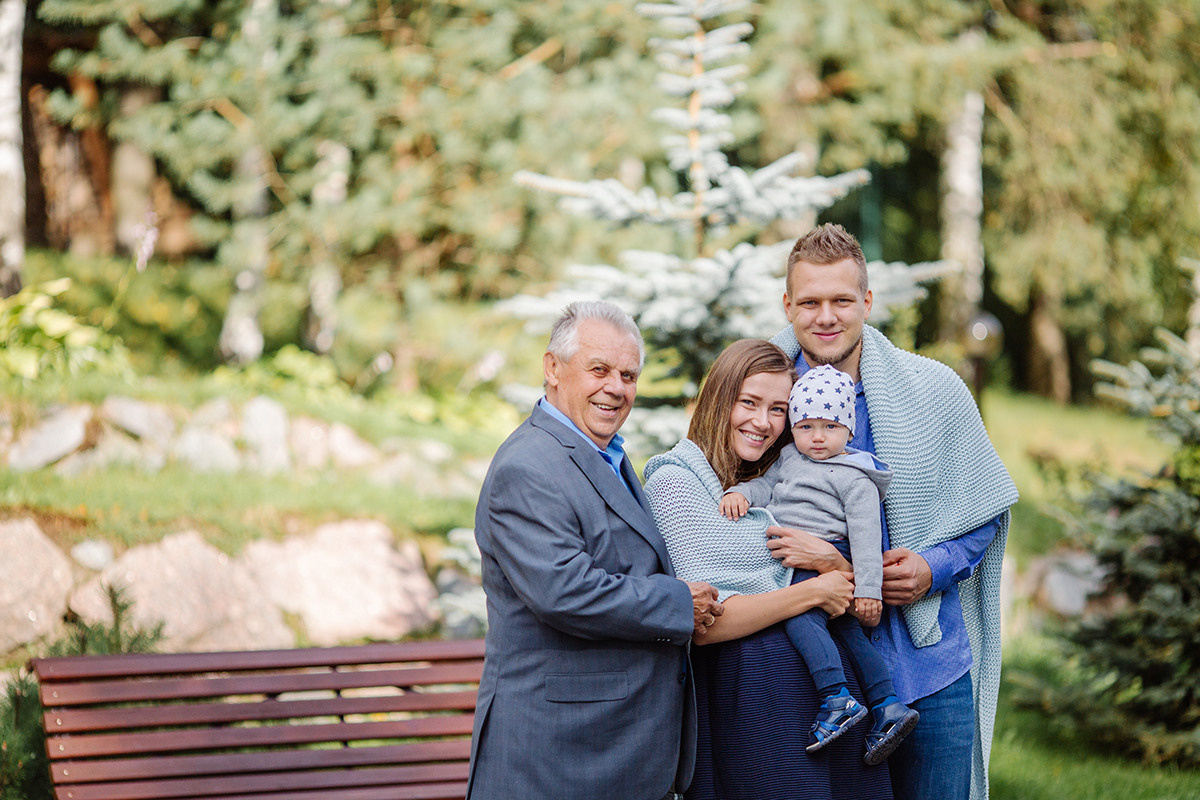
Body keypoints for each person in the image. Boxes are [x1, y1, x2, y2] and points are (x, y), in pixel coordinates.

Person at [767, 223, 1019, 800]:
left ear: (867, 302)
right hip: (815, 667)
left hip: (928, 661)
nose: (825, 316)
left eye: (841, 300)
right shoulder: (763, 395)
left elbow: (982, 504)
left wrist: (935, 566)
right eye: (809, 302)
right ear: (788, 304)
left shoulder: (935, 388)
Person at [467, 300, 724, 800]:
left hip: (611, 749)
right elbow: (564, 591)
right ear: (553, 369)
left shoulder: (607, 455)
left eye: (628, 375)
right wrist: (678, 604)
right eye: (599, 370)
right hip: (555, 757)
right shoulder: (528, 466)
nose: (616, 388)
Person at [644, 338, 894, 800]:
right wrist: (814, 591)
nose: (763, 422)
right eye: (749, 403)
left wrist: (829, 564)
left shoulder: (785, 480)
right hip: (753, 701)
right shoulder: (677, 483)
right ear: (720, 399)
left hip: (828, 698)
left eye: (778, 409)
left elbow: (849, 593)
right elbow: (706, 623)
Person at [720, 363, 919, 763]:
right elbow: (767, 485)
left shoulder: (855, 477)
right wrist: (743, 493)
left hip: (830, 554)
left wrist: (867, 590)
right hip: (798, 559)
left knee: (799, 618)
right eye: (806, 426)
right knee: (848, 634)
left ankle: (836, 698)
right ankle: (888, 705)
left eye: (829, 427)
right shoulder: (790, 457)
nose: (817, 437)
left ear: (848, 429)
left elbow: (867, 540)